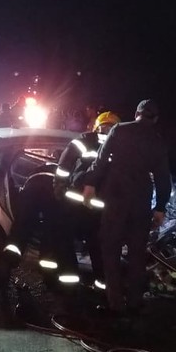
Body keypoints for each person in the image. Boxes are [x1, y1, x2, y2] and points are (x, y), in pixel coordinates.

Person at [83, 99, 171, 314]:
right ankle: (134, 302)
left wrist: (89, 184)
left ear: (136, 113)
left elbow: (101, 160)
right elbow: (162, 178)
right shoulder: (157, 141)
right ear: (155, 119)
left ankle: (115, 303)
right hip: (141, 201)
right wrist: (160, 207)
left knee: (110, 250)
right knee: (137, 254)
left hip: (115, 199)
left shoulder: (119, 130)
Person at [49, 111, 121, 290]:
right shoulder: (121, 146)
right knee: (98, 245)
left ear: (96, 126)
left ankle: (70, 280)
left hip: (75, 201)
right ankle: (102, 285)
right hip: (101, 209)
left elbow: (64, 165)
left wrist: (59, 188)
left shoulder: (84, 139)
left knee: (64, 237)